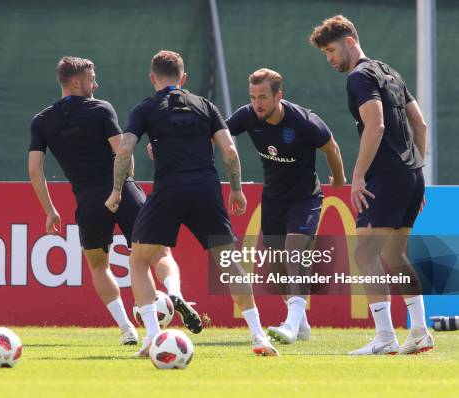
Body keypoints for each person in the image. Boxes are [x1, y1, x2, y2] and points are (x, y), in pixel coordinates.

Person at [105, 50, 279, 357]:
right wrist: (236, 190)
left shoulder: (146, 108)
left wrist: (118, 190)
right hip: (206, 189)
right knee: (228, 263)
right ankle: (258, 335)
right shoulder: (205, 106)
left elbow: (124, 150)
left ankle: (152, 339)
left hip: (169, 188)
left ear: (152, 78)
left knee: (140, 259)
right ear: (183, 79)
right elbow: (230, 152)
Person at [28, 56, 202, 346]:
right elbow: (123, 151)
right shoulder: (100, 109)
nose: (96, 84)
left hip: (88, 200)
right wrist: (121, 189)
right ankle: (174, 292)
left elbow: (34, 169)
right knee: (159, 253)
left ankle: (127, 329)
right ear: (75, 82)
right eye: (91, 78)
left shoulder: (42, 121)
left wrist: (50, 210)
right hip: (122, 191)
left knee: (99, 265)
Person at [310, 15, 432, 355]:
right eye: (325, 54)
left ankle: (385, 338)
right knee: (394, 253)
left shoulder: (360, 76)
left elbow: (375, 126)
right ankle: (420, 331)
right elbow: (420, 125)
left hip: (386, 177)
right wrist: (414, 172)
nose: (331, 59)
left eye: (332, 51)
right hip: (410, 174)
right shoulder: (389, 71)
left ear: (350, 41)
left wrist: (359, 176)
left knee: (365, 253)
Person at [226, 68, 346, 344]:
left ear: (279, 95)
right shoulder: (247, 116)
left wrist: (339, 180)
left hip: (306, 198)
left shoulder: (304, 121)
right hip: (273, 200)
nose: (258, 104)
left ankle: (290, 326)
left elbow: (332, 148)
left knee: (294, 253)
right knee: (277, 267)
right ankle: (301, 324)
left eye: (264, 97)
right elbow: (217, 133)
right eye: (253, 97)